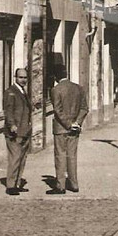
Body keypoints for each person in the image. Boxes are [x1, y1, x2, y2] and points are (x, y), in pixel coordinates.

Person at [49, 63, 88, 194]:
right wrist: (77, 122)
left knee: (60, 155)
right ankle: (74, 184)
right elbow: (84, 108)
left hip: (61, 128)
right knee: (72, 156)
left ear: (55, 76)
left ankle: (60, 186)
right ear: (66, 74)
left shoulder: (56, 90)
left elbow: (58, 110)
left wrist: (68, 124)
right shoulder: (78, 89)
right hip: (75, 129)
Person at [2, 68, 32, 196]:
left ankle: (17, 184)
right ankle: (10, 186)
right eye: (21, 77)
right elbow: (8, 111)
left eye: (25, 78)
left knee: (22, 159)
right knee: (14, 158)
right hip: (14, 132)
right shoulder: (11, 92)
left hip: (25, 131)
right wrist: (12, 125)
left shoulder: (23, 92)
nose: (23, 80)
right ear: (15, 78)